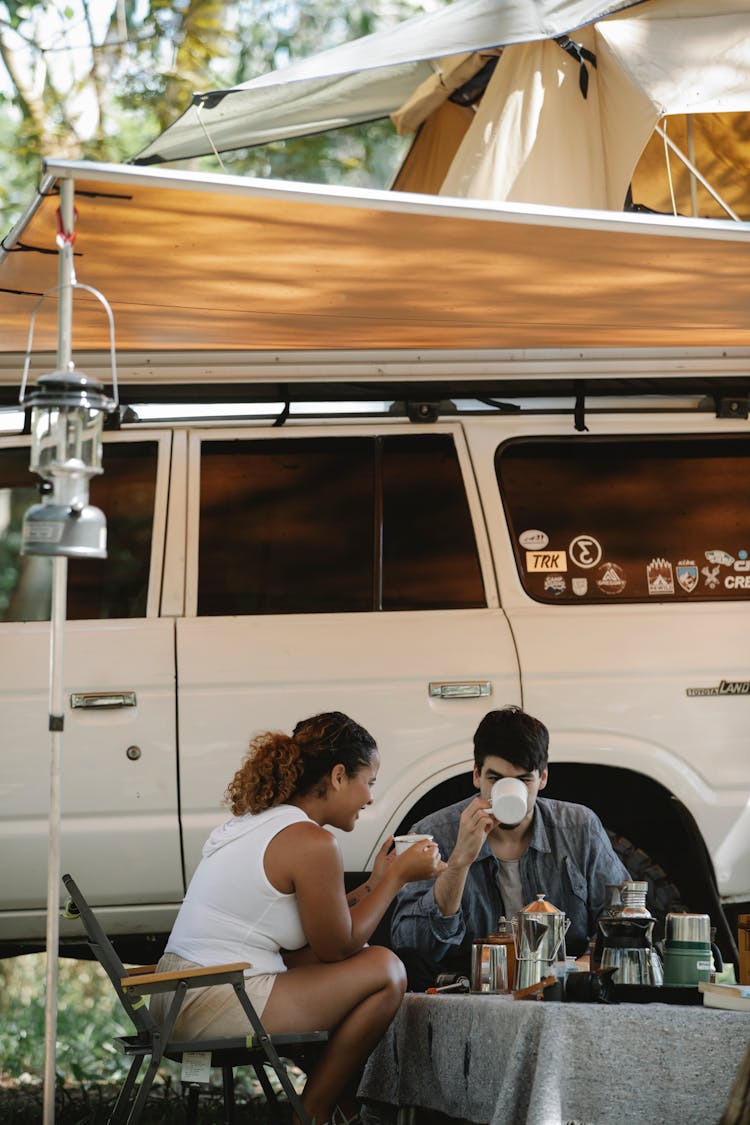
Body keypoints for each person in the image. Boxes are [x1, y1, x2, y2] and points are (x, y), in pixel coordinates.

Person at [151, 711, 443, 1125]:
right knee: (386, 970)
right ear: (339, 775)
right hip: (212, 1001)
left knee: (326, 965)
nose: (370, 798)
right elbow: (338, 947)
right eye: (369, 782)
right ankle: (316, 1113)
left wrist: (375, 881)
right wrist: (396, 879)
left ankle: (345, 1103)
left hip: (176, 995)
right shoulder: (313, 841)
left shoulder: (259, 823)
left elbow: (325, 923)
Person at [390, 705, 630, 990]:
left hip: (563, 992)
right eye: (495, 779)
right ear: (477, 775)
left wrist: (588, 962)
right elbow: (410, 945)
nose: (508, 791)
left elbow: (625, 914)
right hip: (469, 994)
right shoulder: (435, 833)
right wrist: (459, 862)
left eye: (523, 780)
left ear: (542, 778)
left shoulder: (579, 827)